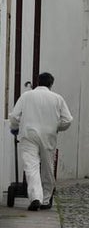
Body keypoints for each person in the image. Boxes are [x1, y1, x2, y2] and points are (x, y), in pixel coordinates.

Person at [9, 72, 72, 211]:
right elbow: (68, 120)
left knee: (31, 166)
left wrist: (15, 128)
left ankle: (35, 197)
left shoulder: (26, 96)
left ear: (37, 82)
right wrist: (56, 127)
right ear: (51, 84)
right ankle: (45, 199)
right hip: (48, 135)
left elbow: (14, 116)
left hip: (29, 133)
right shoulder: (57, 98)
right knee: (48, 167)